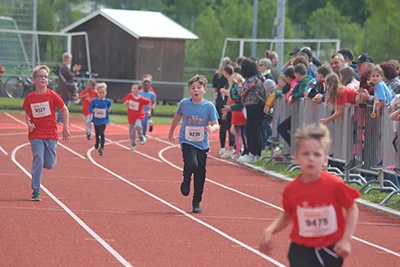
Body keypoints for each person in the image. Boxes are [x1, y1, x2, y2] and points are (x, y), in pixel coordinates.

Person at [259, 123, 360, 267]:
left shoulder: (334, 184)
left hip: (330, 250)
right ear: (296, 158)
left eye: (317, 154)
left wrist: (346, 239)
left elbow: (352, 207)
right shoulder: (291, 189)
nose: (311, 159)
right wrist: (270, 230)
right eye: (305, 154)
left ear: (325, 160)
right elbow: (288, 215)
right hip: (301, 250)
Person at [168, 75, 219, 214]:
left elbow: (216, 124)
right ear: (189, 90)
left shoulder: (209, 106)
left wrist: (212, 129)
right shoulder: (184, 103)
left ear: (204, 89)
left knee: (200, 174)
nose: (195, 90)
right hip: (187, 141)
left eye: (198, 88)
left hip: (202, 144)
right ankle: (186, 179)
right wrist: (171, 132)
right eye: (193, 88)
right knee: (192, 164)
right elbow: (177, 117)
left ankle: (196, 202)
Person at [22, 65, 71, 201]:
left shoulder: (52, 95)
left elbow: (64, 109)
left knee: (49, 164)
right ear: (34, 80)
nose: (43, 79)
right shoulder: (30, 98)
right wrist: (28, 123)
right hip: (36, 134)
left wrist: (65, 128)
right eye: (40, 76)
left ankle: (40, 163)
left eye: (45, 76)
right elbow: (27, 112)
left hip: (51, 134)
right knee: (39, 157)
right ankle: (36, 191)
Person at [123, 82, 152, 150]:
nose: (133, 90)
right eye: (132, 88)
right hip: (131, 116)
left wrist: (149, 110)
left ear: (139, 90)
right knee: (131, 131)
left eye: (135, 88)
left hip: (139, 115)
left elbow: (149, 102)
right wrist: (126, 103)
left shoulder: (141, 99)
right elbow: (125, 102)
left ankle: (141, 136)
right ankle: (133, 144)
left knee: (138, 126)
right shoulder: (129, 96)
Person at [88, 83, 112, 156]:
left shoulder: (107, 101)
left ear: (106, 93)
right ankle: (97, 142)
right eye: (100, 93)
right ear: (97, 93)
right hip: (96, 120)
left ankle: (102, 148)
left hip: (104, 120)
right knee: (97, 133)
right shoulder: (94, 101)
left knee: (102, 133)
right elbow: (90, 108)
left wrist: (110, 109)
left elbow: (110, 107)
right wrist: (93, 110)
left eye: (103, 93)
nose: (102, 94)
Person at [57, 52, 81, 123]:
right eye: (70, 58)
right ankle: (60, 119)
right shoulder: (64, 67)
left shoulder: (64, 67)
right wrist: (75, 71)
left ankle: (61, 119)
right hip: (64, 90)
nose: (70, 60)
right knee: (63, 105)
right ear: (67, 59)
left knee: (64, 105)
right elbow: (70, 76)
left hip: (64, 89)